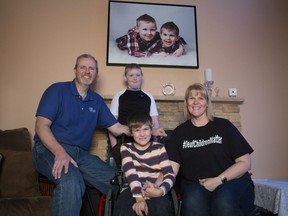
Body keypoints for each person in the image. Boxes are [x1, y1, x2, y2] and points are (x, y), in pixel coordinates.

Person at [32, 54, 130, 216]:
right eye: (83, 67)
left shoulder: (96, 100)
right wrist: (59, 152)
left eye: (91, 68)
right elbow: (41, 126)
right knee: (72, 182)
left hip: (80, 155)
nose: (87, 71)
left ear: (96, 73)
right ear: (75, 70)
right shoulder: (57, 90)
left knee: (120, 182)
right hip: (48, 149)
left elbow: (117, 127)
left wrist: (145, 130)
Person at [166, 83, 255, 216]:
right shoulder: (179, 133)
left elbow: (245, 162)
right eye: (191, 98)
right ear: (186, 103)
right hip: (195, 185)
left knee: (223, 200)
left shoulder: (224, 126)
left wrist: (219, 180)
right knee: (193, 202)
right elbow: (172, 168)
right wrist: (157, 186)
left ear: (207, 103)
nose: (196, 102)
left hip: (230, 181)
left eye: (201, 98)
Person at [113, 112, 175, 216]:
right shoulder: (126, 148)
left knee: (161, 209)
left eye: (145, 129)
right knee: (123, 209)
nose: (142, 134)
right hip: (131, 188)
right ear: (131, 133)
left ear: (151, 130)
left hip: (154, 187)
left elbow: (169, 174)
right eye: (137, 130)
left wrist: (160, 190)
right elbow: (131, 174)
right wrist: (139, 197)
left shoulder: (159, 148)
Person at [109, 63, 166, 168]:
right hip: (124, 143)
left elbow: (155, 124)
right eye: (131, 75)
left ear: (142, 77)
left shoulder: (148, 96)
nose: (135, 78)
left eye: (138, 75)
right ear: (125, 77)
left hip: (145, 142)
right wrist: (115, 148)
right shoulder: (119, 96)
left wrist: (155, 148)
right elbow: (112, 124)